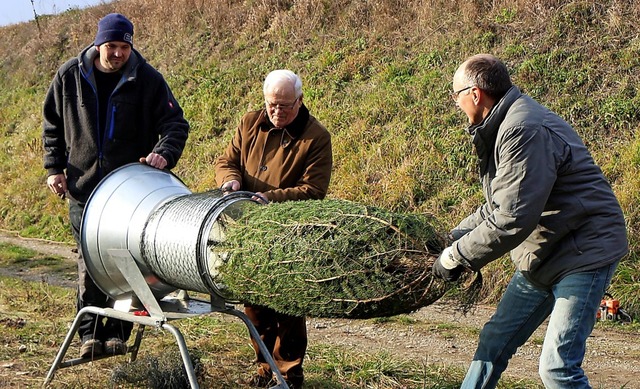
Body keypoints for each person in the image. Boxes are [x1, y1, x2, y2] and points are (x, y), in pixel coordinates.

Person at [431, 54, 628, 388]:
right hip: (546, 250)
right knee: (494, 343)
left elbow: (511, 219)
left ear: (475, 94)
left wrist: (456, 257)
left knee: (557, 367)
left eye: (456, 96)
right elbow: (498, 204)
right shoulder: (506, 124)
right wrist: (452, 238)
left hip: (583, 250)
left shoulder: (523, 129)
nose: (456, 104)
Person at [42, 13, 189, 359]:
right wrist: (54, 168)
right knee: (90, 263)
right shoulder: (69, 76)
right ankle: (89, 335)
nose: (118, 53)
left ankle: (118, 334)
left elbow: (175, 124)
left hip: (131, 197)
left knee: (131, 264)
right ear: (98, 44)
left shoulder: (148, 79)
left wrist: (163, 154)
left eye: (125, 47)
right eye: (112, 46)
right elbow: (52, 125)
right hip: (84, 187)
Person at [215, 69, 332, 388]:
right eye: (272, 105)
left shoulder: (316, 136)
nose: (277, 112)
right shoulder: (249, 122)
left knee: (288, 304)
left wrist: (267, 198)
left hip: (288, 231)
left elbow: (313, 189)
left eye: (285, 106)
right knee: (253, 303)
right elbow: (227, 160)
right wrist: (230, 180)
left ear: (300, 101)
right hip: (246, 229)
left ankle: (290, 373)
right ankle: (265, 369)